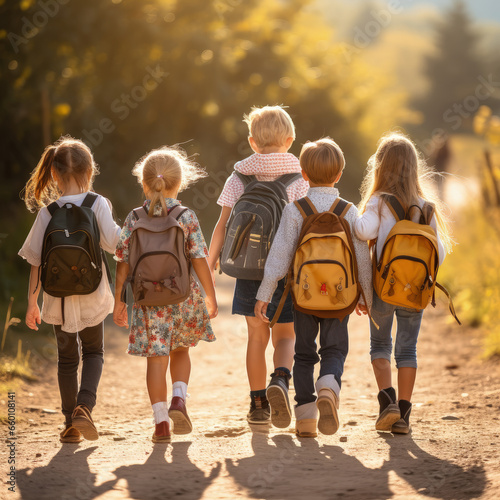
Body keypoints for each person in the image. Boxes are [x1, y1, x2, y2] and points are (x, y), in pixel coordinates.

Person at [254, 138, 373, 437]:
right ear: (339, 175)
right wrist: (366, 298)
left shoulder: (296, 209)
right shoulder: (348, 211)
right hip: (340, 297)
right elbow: (361, 260)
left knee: (304, 355)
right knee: (334, 349)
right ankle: (329, 387)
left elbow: (279, 257)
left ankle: (305, 418)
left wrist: (264, 294)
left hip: (304, 297)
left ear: (303, 174)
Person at [208, 105, 309, 426]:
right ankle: (280, 377)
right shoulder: (298, 176)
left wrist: (210, 262)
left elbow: (223, 223)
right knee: (286, 337)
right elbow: (306, 227)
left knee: (256, 338)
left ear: (252, 142)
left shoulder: (240, 174)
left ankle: (257, 405)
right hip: (286, 272)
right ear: (290, 139)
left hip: (248, 269)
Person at [19, 136, 121, 443]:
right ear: (90, 172)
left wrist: (31, 302)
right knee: (94, 353)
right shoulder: (97, 203)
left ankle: (70, 425)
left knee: (66, 360)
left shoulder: (47, 212)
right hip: (92, 294)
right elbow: (116, 245)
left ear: (53, 174)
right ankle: (84, 407)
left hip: (56, 299)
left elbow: (36, 260)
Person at [113, 146, 217, 443]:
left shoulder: (134, 218)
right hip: (183, 297)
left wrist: (120, 299)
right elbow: (199, 258)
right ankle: (179, 400)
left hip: (148, 302)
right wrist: (209, 295)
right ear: (180, 183)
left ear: (144, 184)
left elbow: (123, 261)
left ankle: (160, 423)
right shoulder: (186, 215)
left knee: (155, 361)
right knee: (181, 350)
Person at [354, 132, 452, 434]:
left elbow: (361, 231)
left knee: (380, 345)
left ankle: (388, 403)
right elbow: (441, 253)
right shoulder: (426, 207)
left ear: (380, 167)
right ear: (414, 167)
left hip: (384, 289)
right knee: (408, 350)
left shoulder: (379, 203)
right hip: (415, 292)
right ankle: (405, 416)